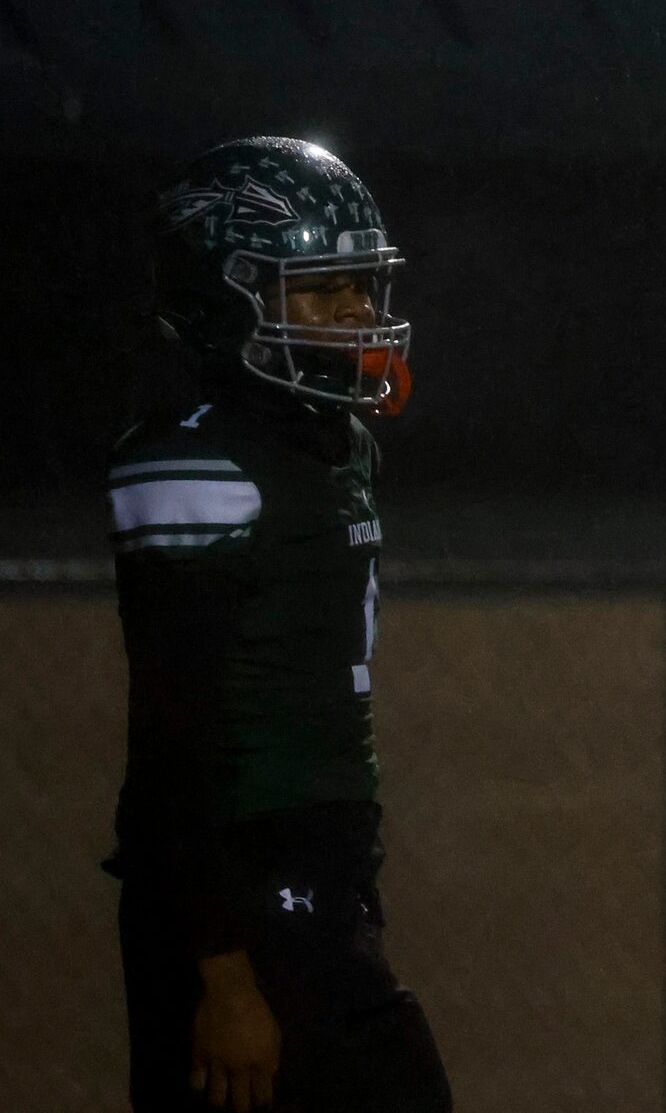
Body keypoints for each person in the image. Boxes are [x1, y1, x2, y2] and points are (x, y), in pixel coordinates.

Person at [106, 136, 450, 1113]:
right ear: (227, 296)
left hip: (320, 880)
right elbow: (173, 745)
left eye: (359, 284)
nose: (356, 312)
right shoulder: (194, 463)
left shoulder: (327, 441)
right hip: (242, 894)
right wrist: (222, 973)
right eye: (320, 287)